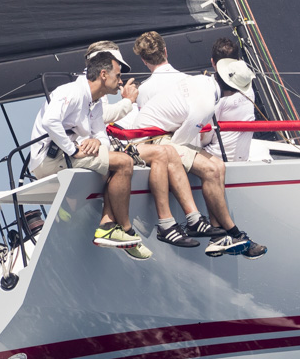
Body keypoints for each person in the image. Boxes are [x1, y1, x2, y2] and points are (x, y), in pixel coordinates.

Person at [119, 32, 261, 257]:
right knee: (212, 168)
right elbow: (180, 143)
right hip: (152, 141)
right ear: (235, 89)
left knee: (217, 166)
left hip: (157, 136)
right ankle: (233, 232)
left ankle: (218, 236)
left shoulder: (203, 81)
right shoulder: (206, 104)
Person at [28, 48, 151, 260]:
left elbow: (101, 135)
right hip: (49, 159)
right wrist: (73, 149)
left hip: (64, 156)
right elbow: (50, 121)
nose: (121, 82)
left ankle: (104, 224)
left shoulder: (95, 103)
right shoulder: (73, 92)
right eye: (118, 76)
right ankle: (126, 230)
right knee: (124, 162)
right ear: (103, 75)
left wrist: (97, 142)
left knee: (114, 166)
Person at [202, 39, 270, 165]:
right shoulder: (247, 86)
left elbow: (204, 138)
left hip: (217, 157)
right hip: (242, 155)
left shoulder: (215, 96)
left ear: (213, 62)